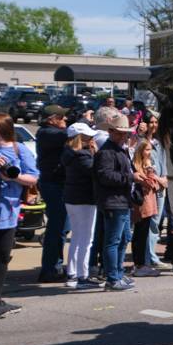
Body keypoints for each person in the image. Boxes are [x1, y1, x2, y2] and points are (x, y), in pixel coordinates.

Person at [0, 113, 39, 317]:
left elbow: (33, 178)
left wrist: (14, 176)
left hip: (7, 212)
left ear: (0, 129)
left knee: (2, 256)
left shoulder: (18, 149)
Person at [93, 113, 140, 291]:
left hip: (122, 200)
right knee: (113, 241)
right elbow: (105, 176)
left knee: (123, 239)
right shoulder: (106, 152)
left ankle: (118, 274)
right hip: (113, 201)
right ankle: (112, 278)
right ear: (111, 132)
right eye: (120, 133)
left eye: (125, 133)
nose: (123, 136)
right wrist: (131, 177)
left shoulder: (119, 149)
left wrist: (134, 177)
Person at [61, 122, 100, 289]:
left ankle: (73, 274)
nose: (91, 138)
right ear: (80, 138)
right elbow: (96, 172)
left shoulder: (69, 154)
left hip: (72, 198)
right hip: (84, 199)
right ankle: (82, 276)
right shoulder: (83, 156)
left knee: (77, 237)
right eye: (88, 136)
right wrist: (95, 153)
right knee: (86, 239)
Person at [36, 104, 70, 282]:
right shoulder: (46, 133)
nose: (66, 120)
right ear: (52, 120)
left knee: (62, 228)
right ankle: (49, 270)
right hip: (53, 185)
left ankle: (55, 266)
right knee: (56, 228)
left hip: (59, 184)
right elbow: (68, 134)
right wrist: (85, 123)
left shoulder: (53, 133)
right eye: (62, 117)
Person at [139, 113, 171, 271]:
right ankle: (148, 257)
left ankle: (151, 256)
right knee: (149, 222)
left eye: (156, 122)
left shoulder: (159, 142)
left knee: (156, 223)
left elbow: (163, 161)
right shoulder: (142, 141)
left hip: (161, 186)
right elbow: (142, 164)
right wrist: (158, 179)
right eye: (150, 122)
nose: (153, 125)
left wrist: (164, 178)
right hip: (149, 186)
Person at [131, 141, 166, 278]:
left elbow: (156, 186)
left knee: (143, 233)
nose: (149, 153)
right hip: (141, 203)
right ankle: (139, 265)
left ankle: (141, 263)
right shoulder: (137, 165)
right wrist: (151, 175)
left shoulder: (147, 164)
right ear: (140, 151)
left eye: (150, 150)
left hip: (150, 203)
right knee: (139, 234)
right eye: (147, 150)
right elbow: (149, 183)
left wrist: (153, 179)